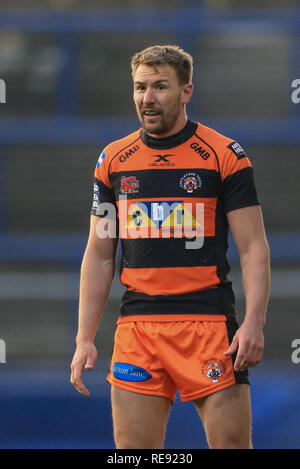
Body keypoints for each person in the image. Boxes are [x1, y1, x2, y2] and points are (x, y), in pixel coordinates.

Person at [70, 45, 270, 449]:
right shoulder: (114, 159)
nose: (148, 98)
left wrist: (254, 323)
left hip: (210, 325)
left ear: (186, 91)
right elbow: (99, 252)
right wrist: (83, 338)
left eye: (160, 86)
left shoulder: (224, 155)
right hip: (137, 329)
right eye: (140, 87)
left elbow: (253, 247)